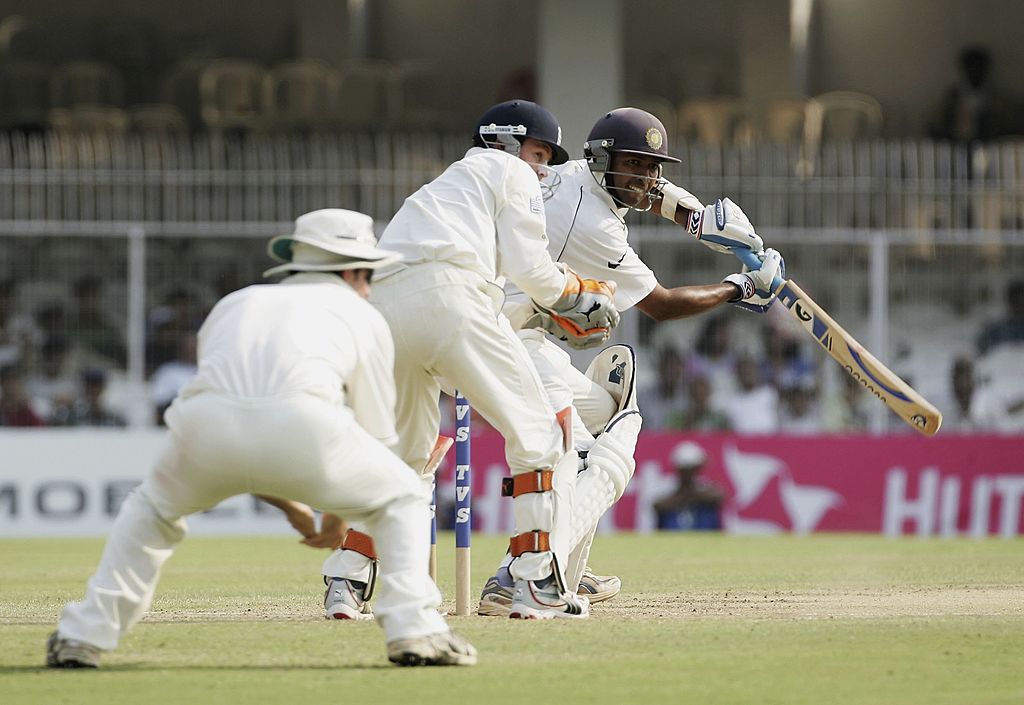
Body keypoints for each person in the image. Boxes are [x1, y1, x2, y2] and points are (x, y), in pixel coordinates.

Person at [46, 208, 477, 669]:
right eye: (368, 275)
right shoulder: (362, 314)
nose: (370, 287)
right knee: (404, 497)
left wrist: (293, 507)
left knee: (149, 511)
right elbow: (375, 438)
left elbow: (241, 421)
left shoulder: (236, 301)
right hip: (305, 423)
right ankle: (414, 629)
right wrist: (335, 514)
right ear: (352, 271)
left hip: (200, 427)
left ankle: (83, 633)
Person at [317, 100, 619, 621]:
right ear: (503, 140)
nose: (542, 166)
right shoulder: (507, 171)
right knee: (540, 437)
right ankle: (532, 583)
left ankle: (347, 579)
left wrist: (544, 314)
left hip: (384, 310)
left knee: (402, 456)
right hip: (451, 301)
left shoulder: (442, 193)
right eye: (539, 151)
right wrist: (580, 292)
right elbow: (534, 275)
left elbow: (482, 296)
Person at [477, 106, 785, 615]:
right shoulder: (593, 222)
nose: (647, 178)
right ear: (603, 162)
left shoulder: (579, 176)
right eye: (635, 166)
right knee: (586, 452)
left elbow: (658, 196)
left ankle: (567, 564)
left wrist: (704, 221)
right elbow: (661, 306)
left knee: (608, 413)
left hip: (520, 338)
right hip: (507, 343)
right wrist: (741, 285)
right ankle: (520, 574)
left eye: (652, 166)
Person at [653, 441, 724, 530]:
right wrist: (684, 496)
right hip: (673, 537)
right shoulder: (668, 485)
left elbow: (719, 497)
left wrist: (690, 495)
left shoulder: (704, 486)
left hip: (704, 536)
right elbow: (658, 505)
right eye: (688, 469)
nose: (690, 473)